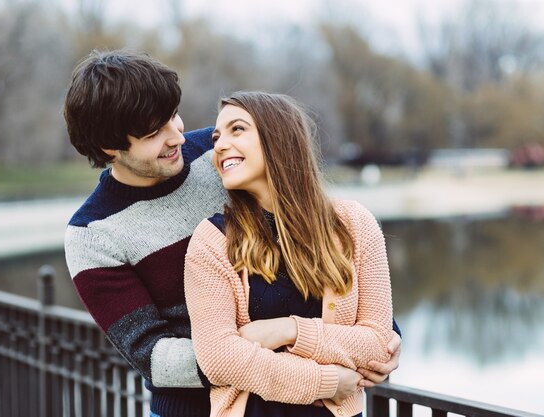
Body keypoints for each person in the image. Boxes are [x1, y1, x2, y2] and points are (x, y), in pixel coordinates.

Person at [63, 50, 401, 417]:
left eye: (173, 117)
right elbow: (156, 357)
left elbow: (313, 239)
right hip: (195, 409)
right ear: (110, 148)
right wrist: (304, 371)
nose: (176, 135)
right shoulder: (91, 235)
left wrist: (366, 337)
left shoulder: (220, 151)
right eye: (153, 133)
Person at [184, 91, 395, 417]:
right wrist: (324, 381)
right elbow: (219, 358)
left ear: (278, 137)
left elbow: (376, 344)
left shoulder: (353, 224)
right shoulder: (212, 241)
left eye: (236, 129)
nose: (219, 145)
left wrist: (288, 330)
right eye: (217, 136)